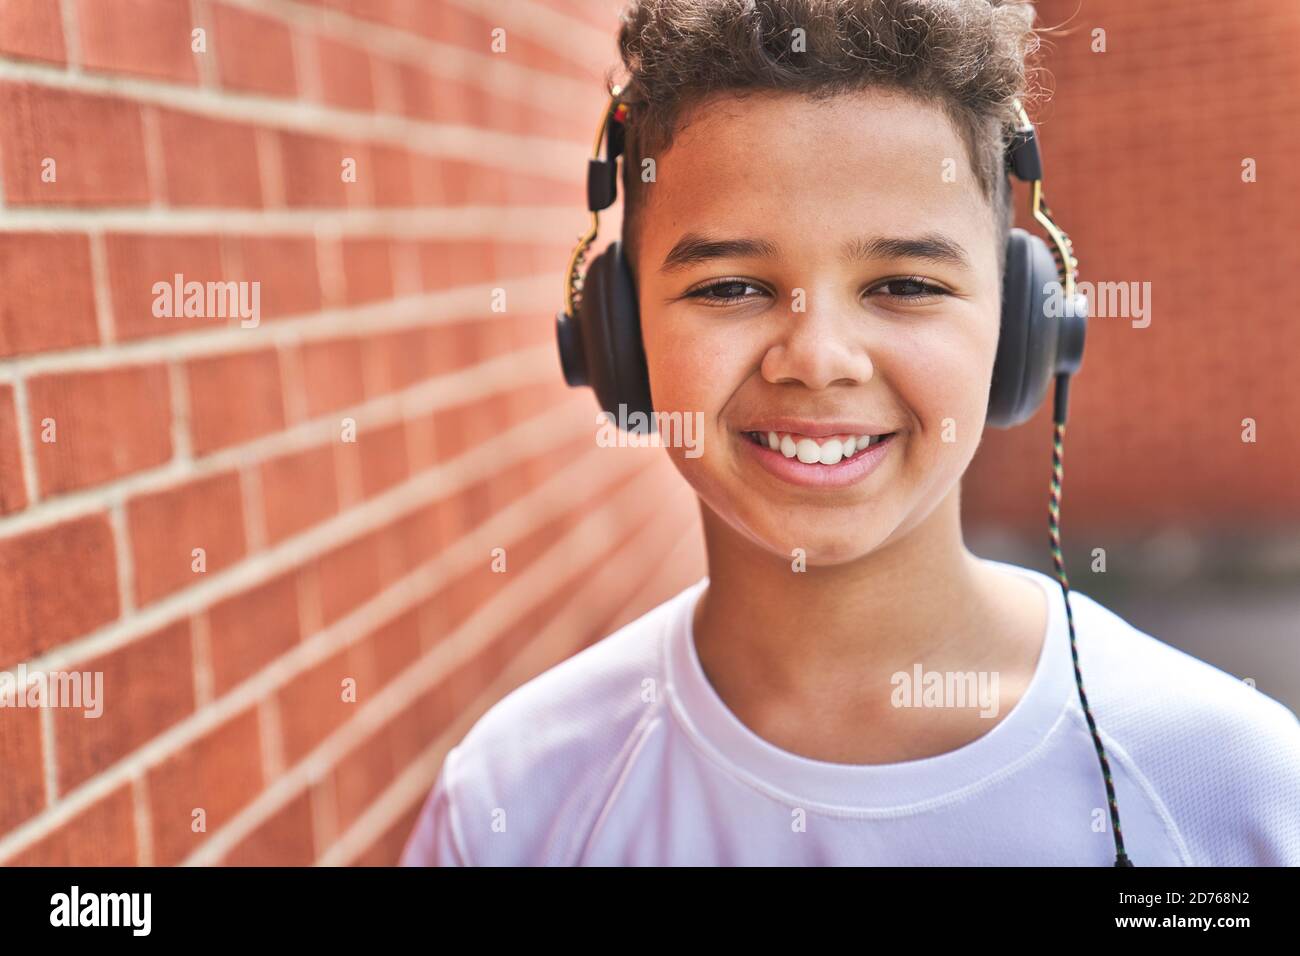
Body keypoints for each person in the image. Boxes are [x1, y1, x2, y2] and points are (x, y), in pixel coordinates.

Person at [401, 0, 1300, 866]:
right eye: (729, 288)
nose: (819, 359)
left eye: (904, 284)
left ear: (1025, 328)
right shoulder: (514, 803)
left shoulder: (1226, 791)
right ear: (618, 343)